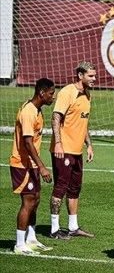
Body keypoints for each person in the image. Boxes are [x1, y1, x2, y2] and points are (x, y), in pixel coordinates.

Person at [49, 61, 96, 239]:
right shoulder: (68, 92)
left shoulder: (87, 94)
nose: (94, 79)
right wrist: (58, 143)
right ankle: (54, 229)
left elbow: (83, 122)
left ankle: (73, 227)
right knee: (60, 187)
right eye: (90, 76)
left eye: (94, 75)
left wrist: (88, 144)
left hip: (77, 150)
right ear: (80, 75)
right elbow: (55, 117)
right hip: (64, 150)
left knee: (75, 189)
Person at [11, 78, 56, 255]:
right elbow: (28, 143)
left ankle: (31, 238)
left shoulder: (36, 110)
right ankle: (19, 244)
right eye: (51, 93)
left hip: (30, 164)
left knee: (35, 199)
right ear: (42, 93)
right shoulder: (29, 112)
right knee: (28, 201)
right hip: (22, 164)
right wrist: (42, 167)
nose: (53, 97)